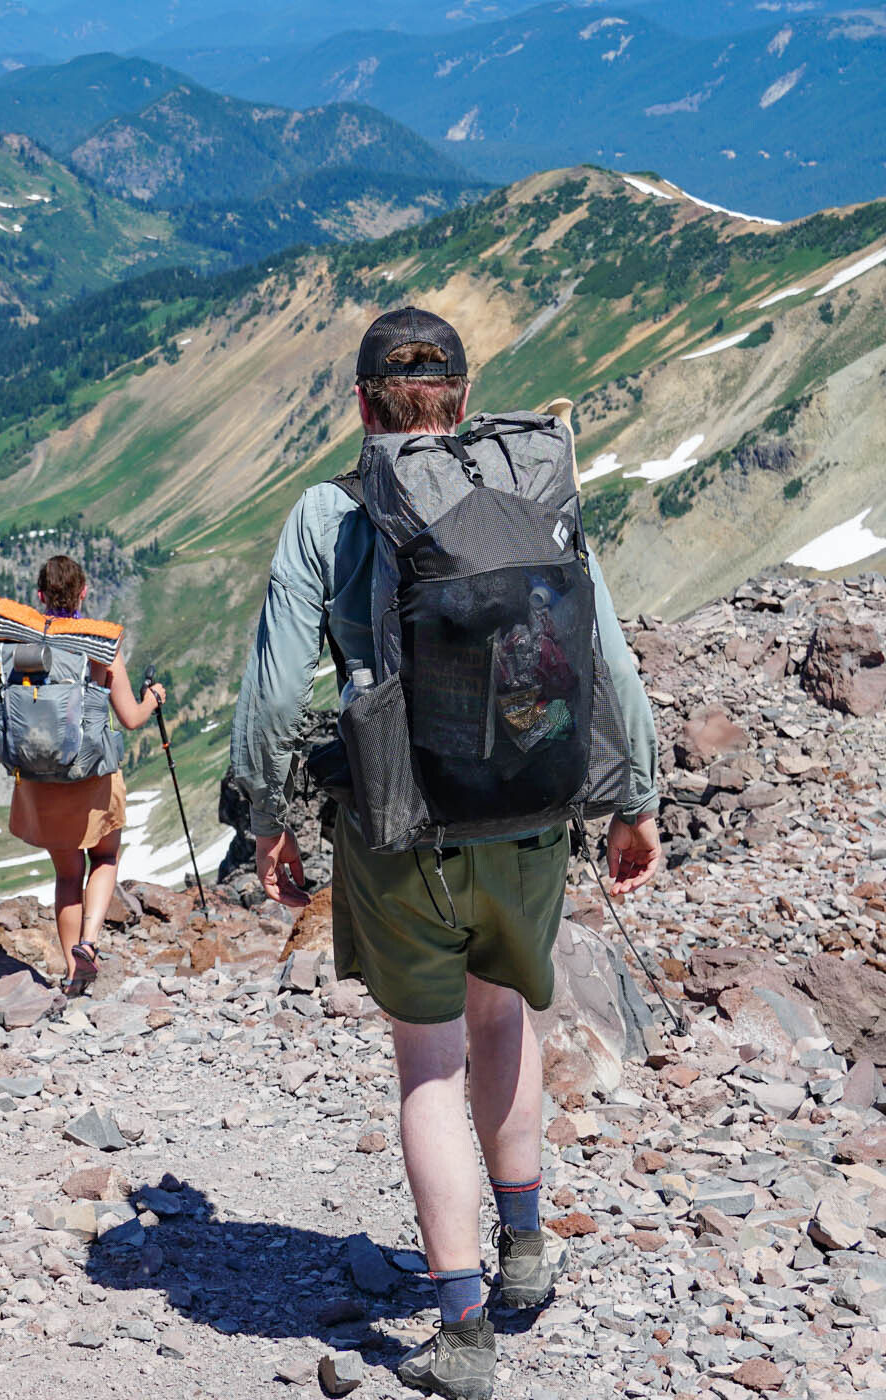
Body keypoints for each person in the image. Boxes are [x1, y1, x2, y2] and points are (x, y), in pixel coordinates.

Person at [229, 309, 663, 1399]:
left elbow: (280, 689)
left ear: (363, 407)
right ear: (466, 401)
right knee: (504, 1014)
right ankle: (524, 1249)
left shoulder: (329, 512)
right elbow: (606, 653)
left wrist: (267, 816)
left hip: (399, 829)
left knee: (427, 1062)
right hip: (525, 820)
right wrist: (636, 799)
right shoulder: (531, 493)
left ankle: (461, 1326)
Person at [7, 555, 164, 995]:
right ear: (84, 593)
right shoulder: (99, 644)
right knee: (106, 858)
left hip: (39, 777)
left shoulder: (23, 645)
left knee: (66, 875)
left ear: (39, 596)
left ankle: (73, 976)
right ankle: (90, 945)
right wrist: (153, 698)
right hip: (91, 775)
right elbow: (130, 717)